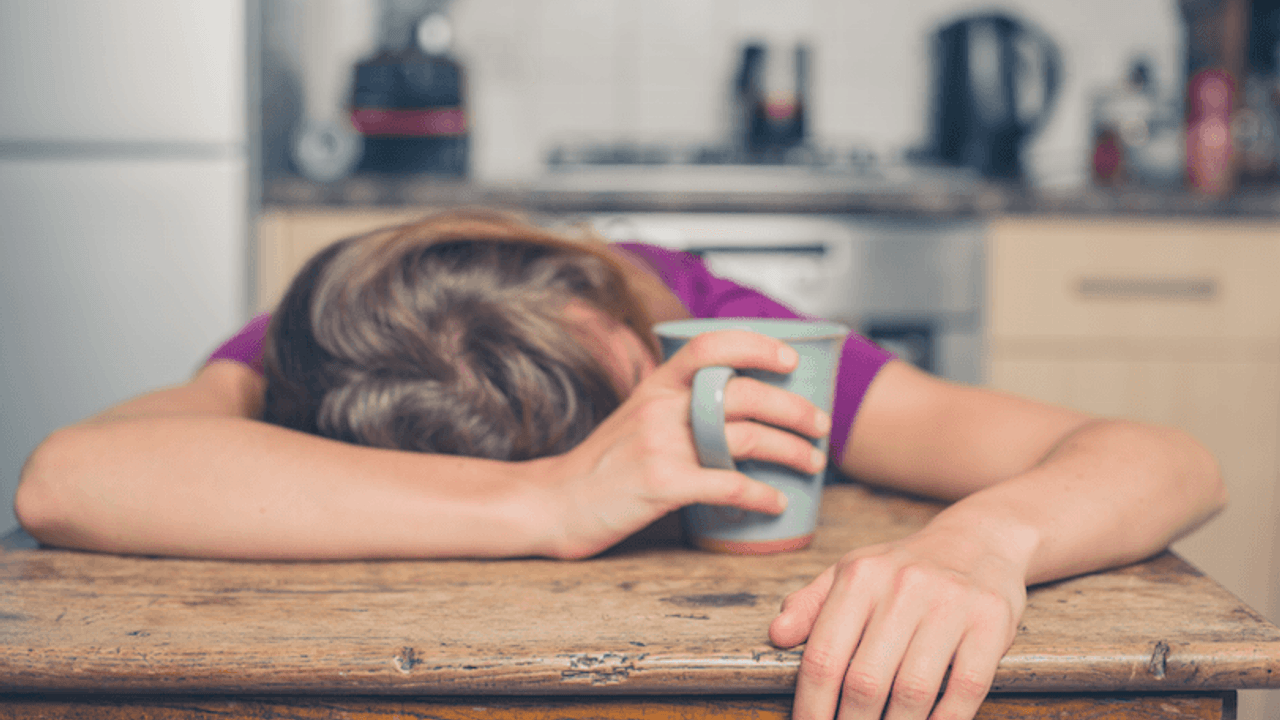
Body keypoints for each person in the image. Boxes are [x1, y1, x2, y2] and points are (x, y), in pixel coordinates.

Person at [15, 207, 1225, 720]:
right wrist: (549, 501)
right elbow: (68, 479)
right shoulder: (345, 338)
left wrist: (979, 543)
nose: (661, 345)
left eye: (644, 335)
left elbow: (1162, 459)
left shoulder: (686, 304)